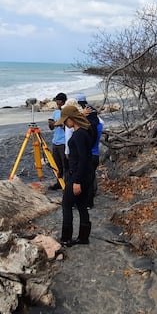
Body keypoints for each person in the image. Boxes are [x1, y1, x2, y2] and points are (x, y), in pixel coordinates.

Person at [55, 105, 94, 246]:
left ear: (71, 119)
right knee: (82, 205)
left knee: (66, 205)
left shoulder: (78, 135)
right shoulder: (85, 131)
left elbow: (83, 159)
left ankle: (66, 238)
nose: (65, 124)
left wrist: (77, 181)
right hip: (87, 174)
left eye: (65, 121)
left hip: (78, 175)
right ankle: (84, 237)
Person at [76, 94, 103, 205]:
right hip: (95, 154)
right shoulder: (99, 126)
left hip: (89, 155)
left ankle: (87, 203)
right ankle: (89, 201)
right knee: (91, 179)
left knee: (86, 180)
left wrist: (80, 116)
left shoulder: (87, 128)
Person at [47, 93, 68, 190]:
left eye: (58, 100)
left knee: (65, 164)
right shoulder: (55, 113)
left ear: (62, 101)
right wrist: (51, 124)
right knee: (57, 164)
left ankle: (67, 184)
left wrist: (58, 124)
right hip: (56, 141)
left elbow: (67, 128)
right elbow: (51, 127)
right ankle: (59, 182)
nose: (56, 102)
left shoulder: (66, 112)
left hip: (63, 142)